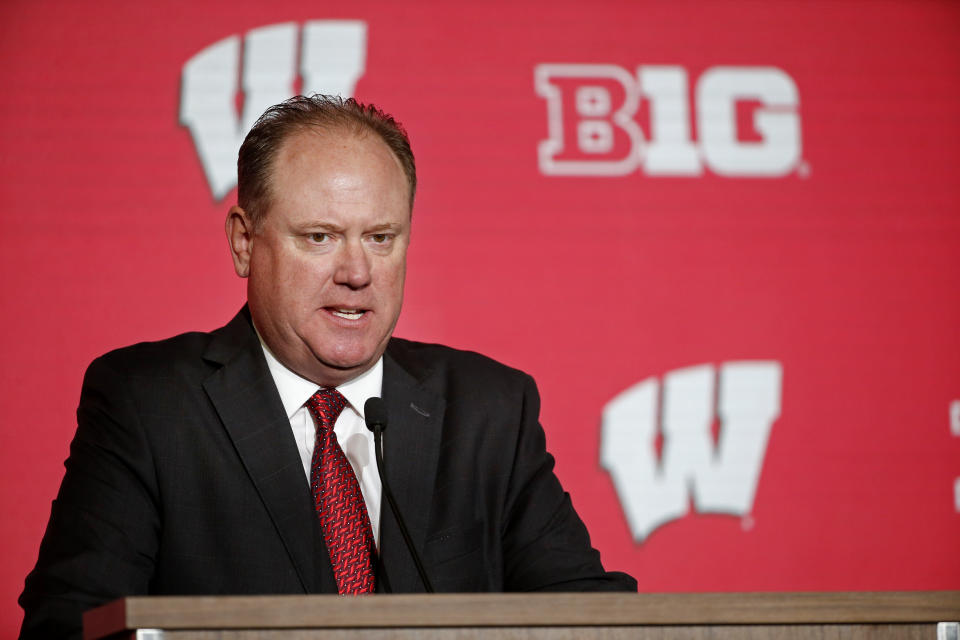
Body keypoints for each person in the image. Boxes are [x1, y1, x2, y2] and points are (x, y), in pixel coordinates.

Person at [19, 95, 636, 639]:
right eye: (320, 237)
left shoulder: (487, 412)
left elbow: (590, 618)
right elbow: (72, 625)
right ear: (244, 241)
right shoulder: (149, 405)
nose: (357, 272)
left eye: (381, 237)